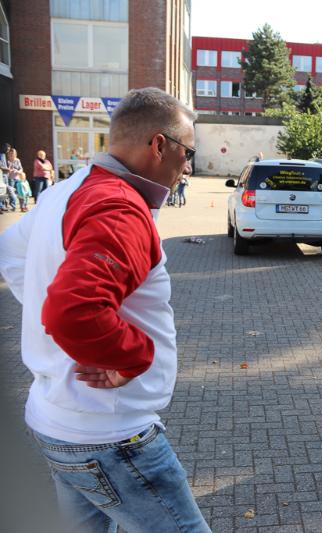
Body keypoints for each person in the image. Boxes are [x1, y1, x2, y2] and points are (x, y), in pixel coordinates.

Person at [0, 87, 210, 532]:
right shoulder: (119, 207)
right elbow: (73, 311)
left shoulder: (65, 191)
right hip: (112, 436)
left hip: (58, 422)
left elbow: (12, 254)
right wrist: (131, 355)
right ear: (159, 145)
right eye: (187, 152)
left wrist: (49, 316)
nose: (188, 166)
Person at [1, 144, 20, 211]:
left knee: (16, 192)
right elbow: (2, 167)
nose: (8, 150)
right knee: (8, 191)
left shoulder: (17, 160)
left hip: (13, 177)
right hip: (7, 177)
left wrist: (17, 171)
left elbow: (20, 168)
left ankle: (7, 205)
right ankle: (8, 205)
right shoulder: (4, 157)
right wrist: (8, 169)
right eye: (7, 149)